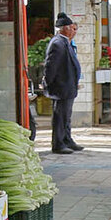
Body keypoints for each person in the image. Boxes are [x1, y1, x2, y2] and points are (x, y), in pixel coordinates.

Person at [43, 13, 82, 154]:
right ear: (65, 28)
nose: (74, 31)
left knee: (66, 116)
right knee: (60, 117)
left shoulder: (65, 42)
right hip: (61, 88)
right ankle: (58, 143)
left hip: (68, 87)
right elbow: (50, 66)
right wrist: (48, 83)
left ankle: (67, 140)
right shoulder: (58, 43)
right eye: (72, 28)